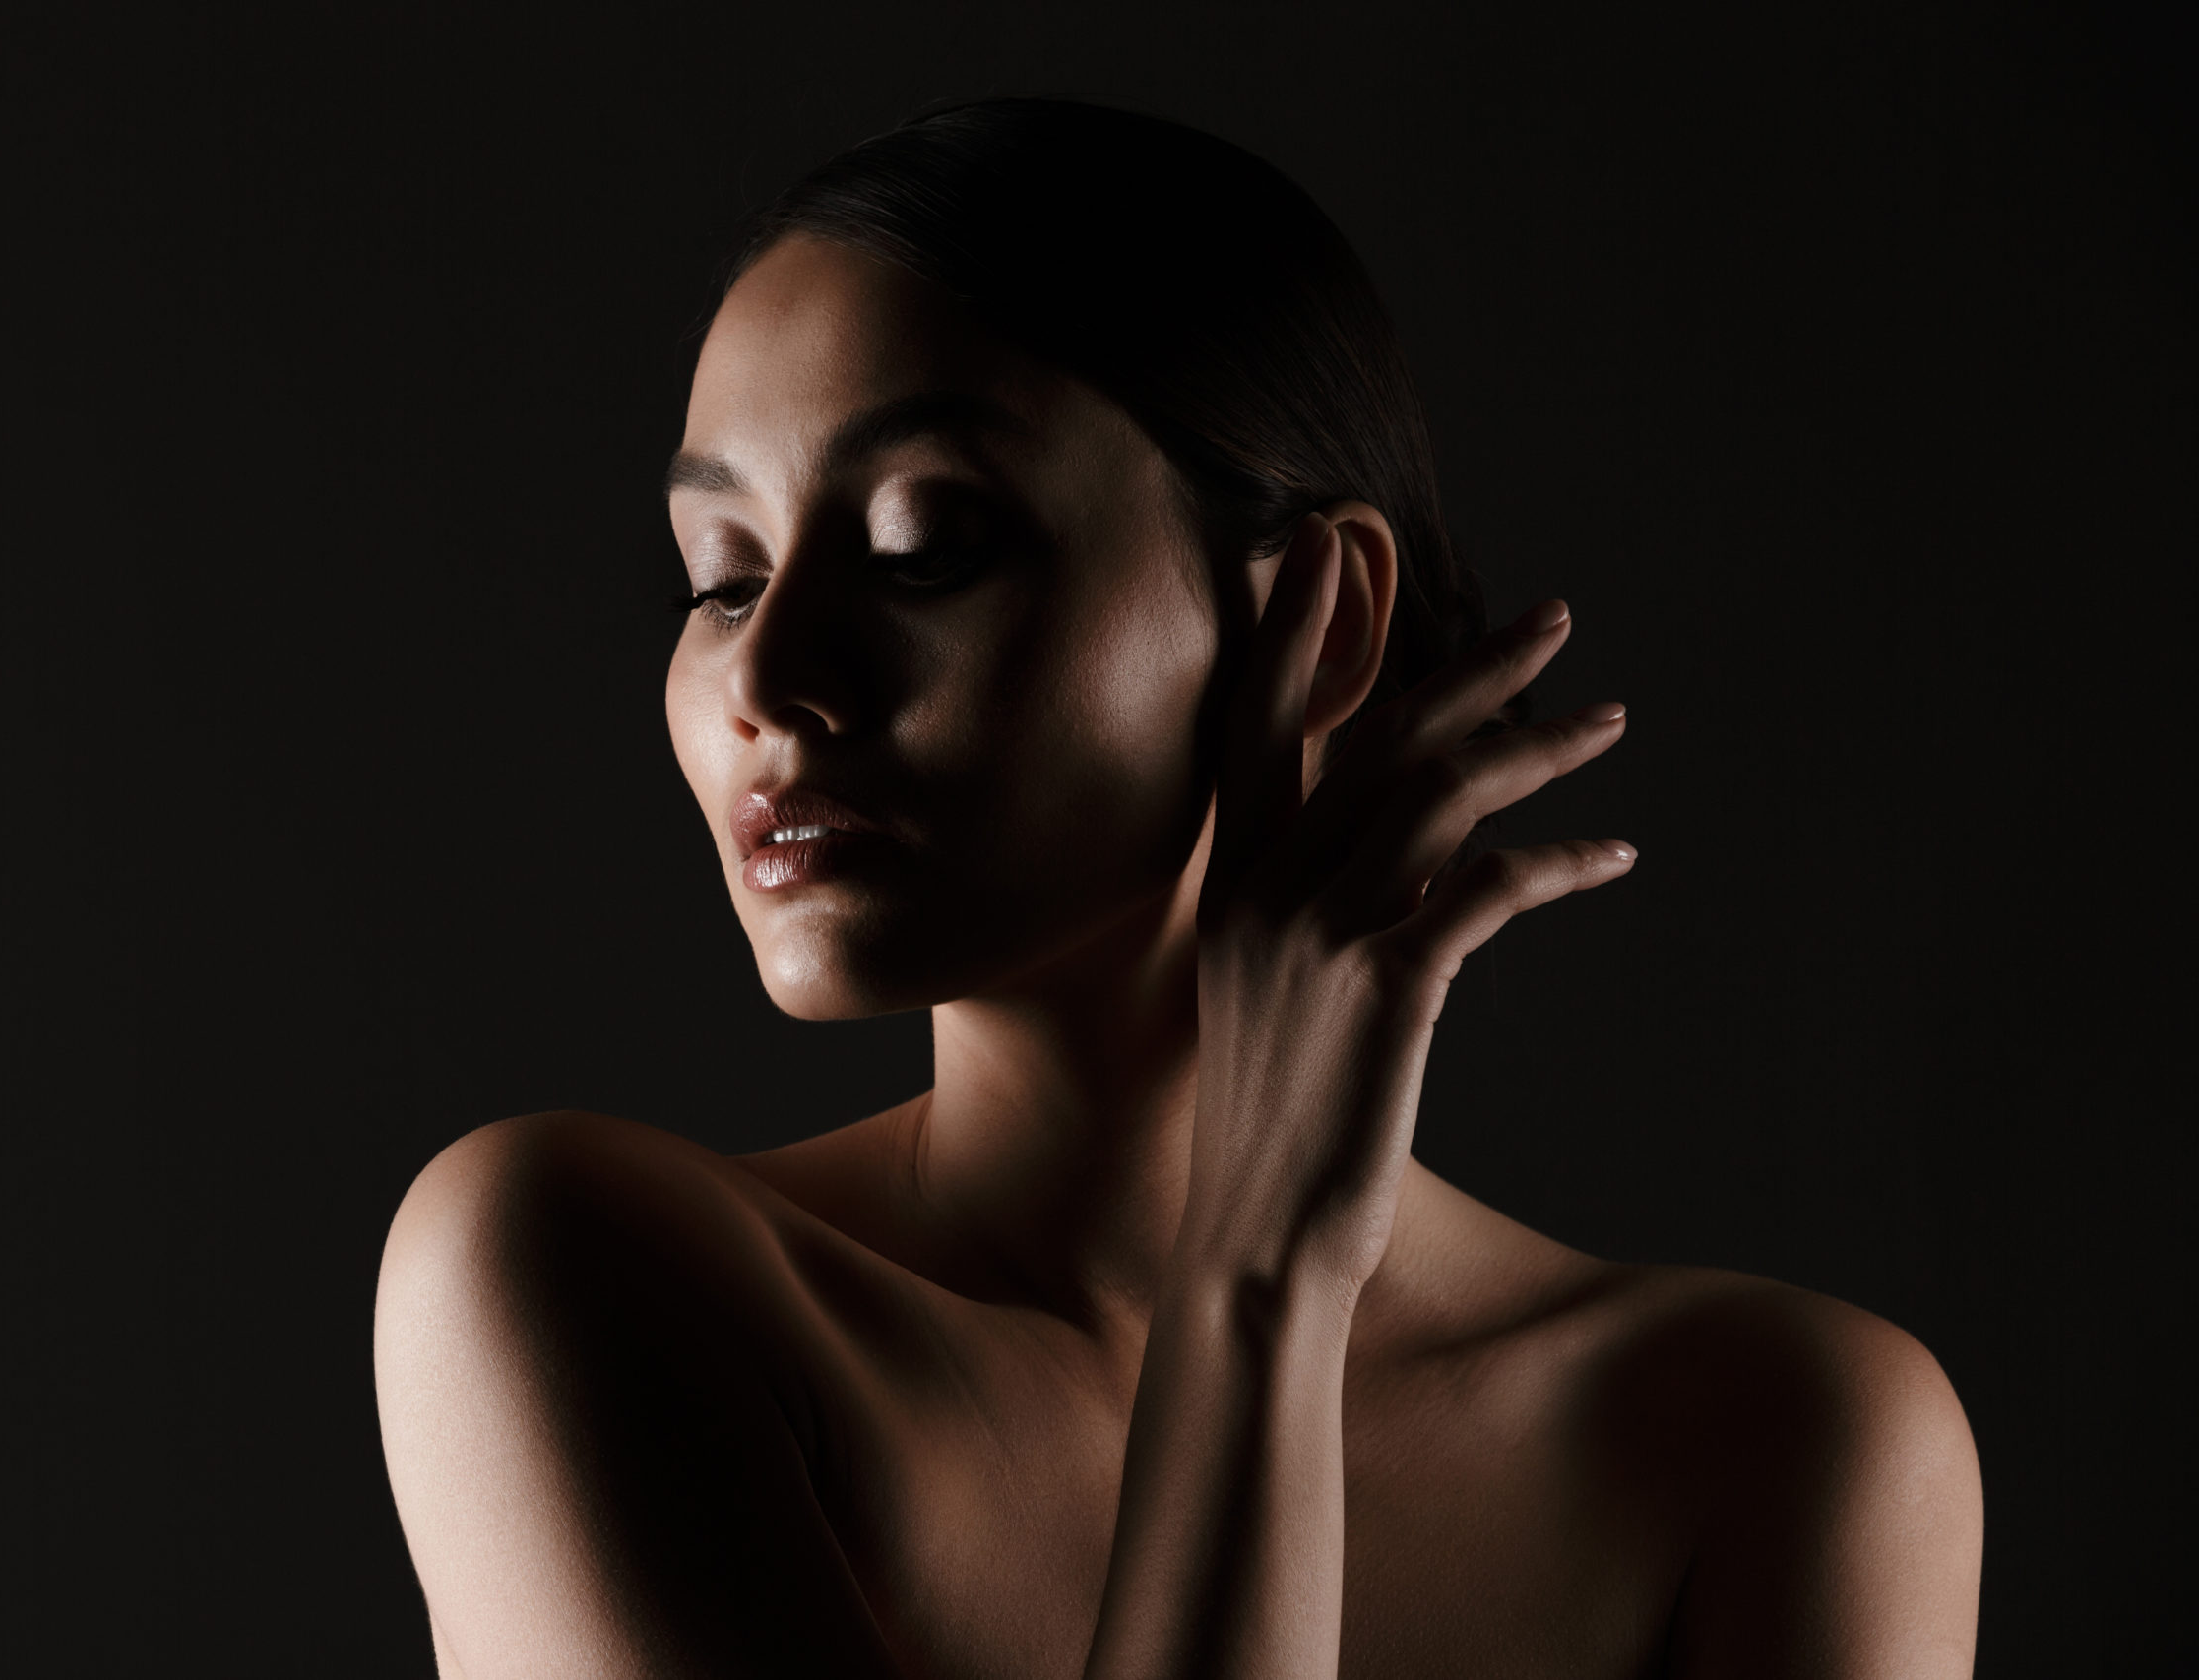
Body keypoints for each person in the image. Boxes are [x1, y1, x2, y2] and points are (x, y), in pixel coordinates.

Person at [373, 99, 1983, 1679]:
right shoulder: (575, 1280)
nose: (768, 675)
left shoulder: (1778, 1438)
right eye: (720, 577)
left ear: (1323, 623)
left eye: (924, 543)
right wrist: (1259, 1279)